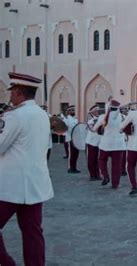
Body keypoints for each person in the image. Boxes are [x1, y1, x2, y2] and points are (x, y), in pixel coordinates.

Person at [0, 72, 54, 266]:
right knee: (32, 232)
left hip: (11, 186)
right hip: (35, 185)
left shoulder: (15, 116)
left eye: (12, 92)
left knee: (32, 231)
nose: (10, 96)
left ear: (19, 92)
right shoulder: (41, 114)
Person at [94, 100, 127, 188]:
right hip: (119, 145)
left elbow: (94, 128)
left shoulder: (103, 117)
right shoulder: (123, 117)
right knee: (117, 165)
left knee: (102, 160)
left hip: (106, 144)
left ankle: (105, 176)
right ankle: (115, 183)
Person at [85, 104, 102, 181]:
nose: (98, 112)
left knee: (97, 159)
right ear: (93, 112)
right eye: (96, 111)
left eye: (98, 111)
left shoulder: (99, 118)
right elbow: (91, 125)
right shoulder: (90, 119)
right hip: (91, 142)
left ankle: (97, 174)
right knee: (91, 159)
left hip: (98, 142)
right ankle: (92, 175)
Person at [64, 105, 80, 173]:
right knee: (71, 154)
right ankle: (70, 168)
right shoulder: (67, 119)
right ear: (68, 111)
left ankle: (74, 167)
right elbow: (66, 128)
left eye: (73, 110)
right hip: (70, 139)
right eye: (71, 110)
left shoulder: (76, 119)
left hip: (76, 139)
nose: (73, 111)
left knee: (76, 154)